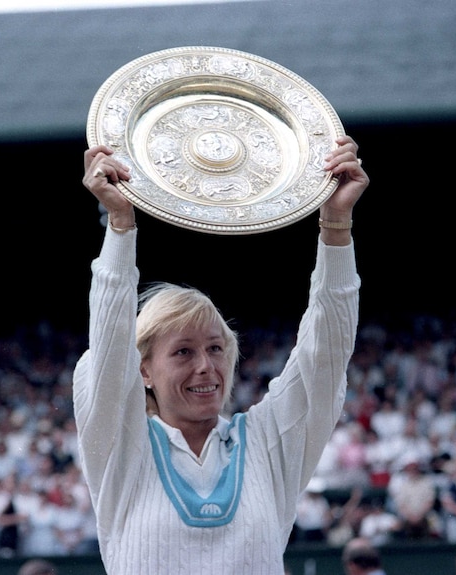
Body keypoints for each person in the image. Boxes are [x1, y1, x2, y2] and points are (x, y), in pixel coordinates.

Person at [73, 134, 368, 574]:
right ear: (144, 371)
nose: (205, 366)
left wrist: (336, 225)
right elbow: (110, 351)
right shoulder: (119, 445)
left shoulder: (268, 443)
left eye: (215, 348)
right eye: (183, 352)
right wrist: (120, 225)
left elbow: (325, 355)